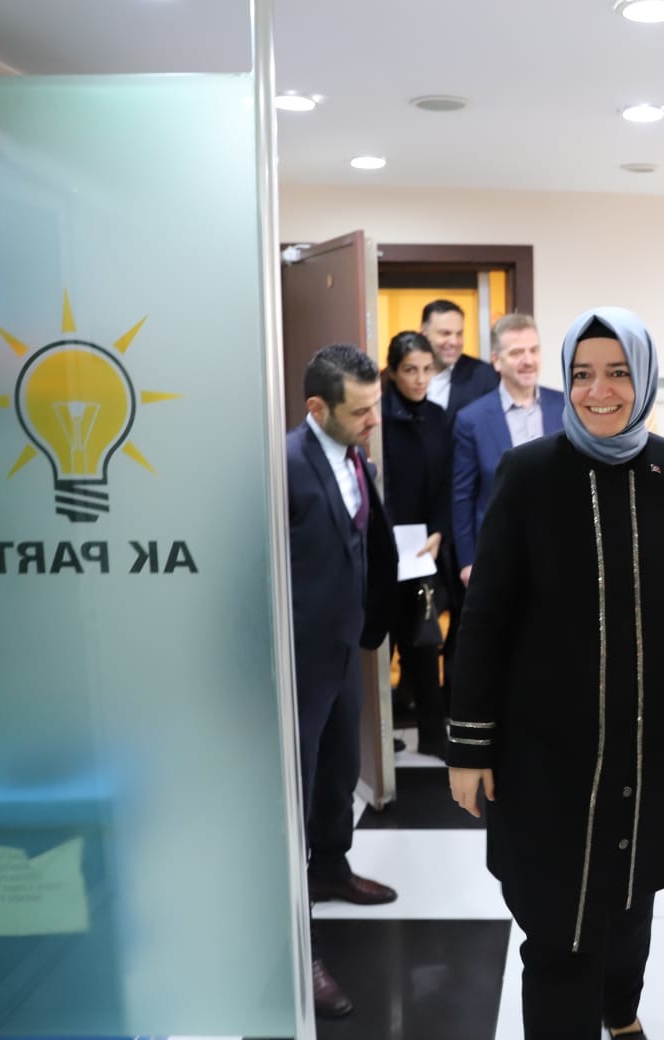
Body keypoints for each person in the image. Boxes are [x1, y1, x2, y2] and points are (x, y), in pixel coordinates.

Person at [447, 307, 664, 1039]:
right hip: (545, 755)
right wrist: (469, 745)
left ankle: (619, 1008)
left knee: (632, 900)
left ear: (643, 379)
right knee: (558, 932)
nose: (597, 391)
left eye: (616, 373)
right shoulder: (529, 474)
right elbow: (486, 618)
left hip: (650, 749)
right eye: (581, 374)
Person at [285, 344, 401, 1017]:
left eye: (374, 406)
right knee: (294, 799)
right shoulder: (285, 466)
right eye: (360, 411)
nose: (373, 420)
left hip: (343, 650)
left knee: (339, 773)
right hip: (297, 661)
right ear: (316, 408)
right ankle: (298, 949)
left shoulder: (356, 455)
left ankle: (331, 869)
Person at [380, 331, 454, 760]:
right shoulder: (378, 416)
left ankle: (432, 733)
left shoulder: (438, 416)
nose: (420, 378)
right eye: (410, 370)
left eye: (427, 369)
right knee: (383, 644)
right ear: (393, 371)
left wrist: (439, 531)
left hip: (424, 548)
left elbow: (446, 482)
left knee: (425, 642)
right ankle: (377, 738)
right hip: (383, 546)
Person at [451, 313, 565, 585]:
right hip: (497, 551)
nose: (528, 360)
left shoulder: (564, 407)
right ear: (496, 360)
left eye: (534, 350)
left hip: (558, 546)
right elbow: (462, 496)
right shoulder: (472, 419)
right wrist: (467, 561)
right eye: (516, 353)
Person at [422, 298, 500, 414]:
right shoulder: (403, 374)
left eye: (459, 334)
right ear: (424, 332)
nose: (454, 342)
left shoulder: (483, 375)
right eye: (445, 333)